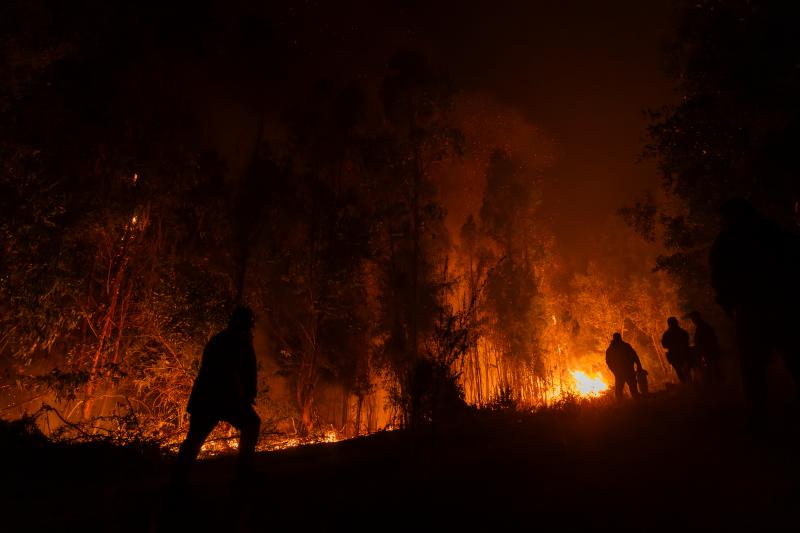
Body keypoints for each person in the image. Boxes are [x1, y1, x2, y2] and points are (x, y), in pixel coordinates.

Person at [710, 198, 800, 421]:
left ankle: (759, 417)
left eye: (723, 217)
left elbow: (719, 279)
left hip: (752, 311)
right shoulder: (773, 231)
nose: (721, 221)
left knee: (753, 368)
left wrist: (728, 305)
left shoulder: (727, 240)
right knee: (794, 357)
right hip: (782, 306)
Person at [173, 306, 261, 485]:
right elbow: (248, 372)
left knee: (195, 438)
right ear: (247, 324)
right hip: (226, 397)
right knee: (252, 423)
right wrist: (248, 395)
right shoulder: (241, 340)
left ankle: (178, 480)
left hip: (205, 396)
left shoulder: (218, 339)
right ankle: (244, 474)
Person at [688, 311, 722, 385]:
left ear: (696, 318)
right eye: (692, 319)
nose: (692, 321)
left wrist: (701, 350)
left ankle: (715, 384)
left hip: (709, 352)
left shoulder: (703, 327)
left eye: (693, 319)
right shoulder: (702, 326)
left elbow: (706, 341)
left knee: (712, 367)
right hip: (708, 352)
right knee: (711, 367)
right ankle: (715, 383)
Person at [605, 332, 642, 400]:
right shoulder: (625, 346)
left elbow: (608, 361)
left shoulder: (611, 349)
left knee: (621, 388)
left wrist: (613, 370)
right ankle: (635, 401)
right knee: (629, 387)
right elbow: (635, 356)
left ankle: (621, 403)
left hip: (622, 371)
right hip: (627, 370)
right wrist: (639, 365)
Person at [662, 317, 693, 384]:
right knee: (685, 371)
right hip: (682, 355)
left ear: (669, 324)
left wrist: (672, 346)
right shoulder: (682, 332)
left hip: (677, 356)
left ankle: (687, 385)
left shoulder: (667, 334)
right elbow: (687, 341)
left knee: (680, 371)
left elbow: (664, 345)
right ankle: (689, 384)